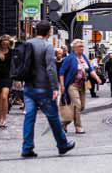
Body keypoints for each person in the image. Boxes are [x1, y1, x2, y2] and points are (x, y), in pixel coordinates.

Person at [22, 20, 75, 158]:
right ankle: (62, 144)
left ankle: (27, 148)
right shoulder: (47, 46)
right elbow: (51, 69)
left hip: (28, 87)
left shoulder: (28, 43)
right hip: (43, 88)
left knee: (29, 117)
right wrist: (55, 87)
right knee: (53, 117)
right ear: (49, 32)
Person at [59, 39, 102, 134]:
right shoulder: (69, 58)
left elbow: (90, 70)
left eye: (82, 46)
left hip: (82, 86)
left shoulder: (84, 57)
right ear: (74, 48)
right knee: (77, 105)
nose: (82, 48)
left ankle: (63, 123)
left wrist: (97, 78)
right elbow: (61, 72)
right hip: (72, 85)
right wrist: (62, 85)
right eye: (79, 46)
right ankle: (78, 126)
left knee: (81, 107)